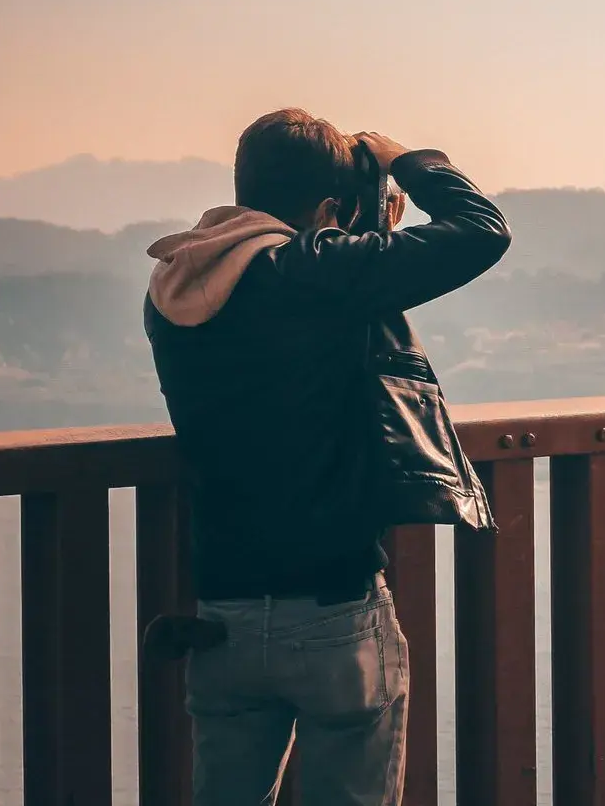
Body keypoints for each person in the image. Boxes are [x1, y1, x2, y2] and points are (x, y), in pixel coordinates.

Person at [143, 110, 511, 805]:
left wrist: (355, 233)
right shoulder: (317, 272)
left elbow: (298, 326)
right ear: (325, 211)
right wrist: (408, 159)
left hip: (222, 614)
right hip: (333, 611)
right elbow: (482, 232)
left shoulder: (173, 286)